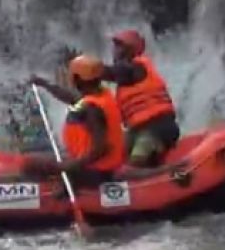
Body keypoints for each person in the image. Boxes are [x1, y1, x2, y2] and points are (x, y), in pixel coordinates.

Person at [25, 54, 124, 186]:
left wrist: (68, 166)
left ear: (76, 78)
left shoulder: (92, 109)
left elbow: (101, 149)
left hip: (97, 172)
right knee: (40, 164)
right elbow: (70, 97)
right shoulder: (100, 93)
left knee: (32, 166)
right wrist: (44, 84)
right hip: (94, 166)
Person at [103, 29, 180, 167]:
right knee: (111, 160)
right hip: (137, 130)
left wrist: (89, 68)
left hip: (157, 128)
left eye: (118, 46)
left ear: (129, 49)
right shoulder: (124, 80)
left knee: (130, 168)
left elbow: (113, 73)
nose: (114, 50)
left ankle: (172, 170)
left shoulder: (138, 67)